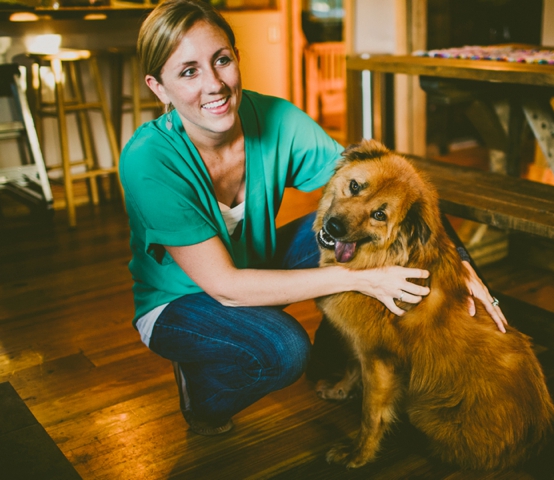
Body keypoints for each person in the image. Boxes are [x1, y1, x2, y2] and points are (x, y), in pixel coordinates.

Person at [121, 0, 508, 436]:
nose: (214, 84)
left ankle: (341, 354)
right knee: (284, 348)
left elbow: (391, 182)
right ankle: (203, 396)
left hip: (253, 264)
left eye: (221, 60)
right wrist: (361, 279)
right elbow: (226, 287)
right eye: (188, 71)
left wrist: (458, 261)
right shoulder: (149, 160)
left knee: (360, 234)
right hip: (178, 302)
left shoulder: (276, 118)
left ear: (236, 58)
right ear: (159, 87)